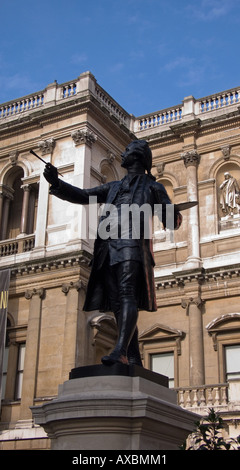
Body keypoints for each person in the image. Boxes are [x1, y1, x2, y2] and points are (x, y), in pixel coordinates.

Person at [44, 140, 182, 367]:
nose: (123, 154)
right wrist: (56, 182)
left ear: (137, 156)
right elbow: (82, 195)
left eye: (127, 151)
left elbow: (172, 221)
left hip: (133, 245)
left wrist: (172, 212)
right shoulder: (114, 187)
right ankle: (133, 356)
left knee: (127, 294)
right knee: (118, 302)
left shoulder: (153, 187)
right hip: (107, 248)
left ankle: (120, 350)